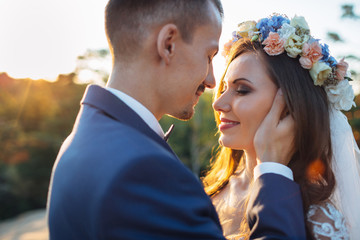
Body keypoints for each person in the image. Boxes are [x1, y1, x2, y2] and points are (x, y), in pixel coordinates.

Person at [47, 1, 306, 239]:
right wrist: (273, 169)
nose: (211, 81)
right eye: (209, 56)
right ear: (168, 44)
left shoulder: (82, 140)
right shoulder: (142, 170)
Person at [203, 14, 360, 239]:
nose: (218, 103)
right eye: (224, 88)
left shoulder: (318, 221)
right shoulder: (210, 192)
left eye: (242, 90)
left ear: (287, 107)